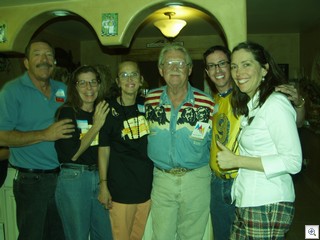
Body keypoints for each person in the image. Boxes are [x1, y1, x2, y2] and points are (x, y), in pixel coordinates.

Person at [203, 45, 306, 240]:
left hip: (267, 202)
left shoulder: (275, 103)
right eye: (235, 66)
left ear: (265, 69)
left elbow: (293, 161)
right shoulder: (251, 105)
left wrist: (236, 161)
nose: (238, 72)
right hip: (247, 198)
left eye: (246, 65)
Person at [0, 39, 74, 240]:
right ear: (26, 62)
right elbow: (2, 135)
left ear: (55, 62)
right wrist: (45, 134)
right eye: (37, 54)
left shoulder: (62, 89)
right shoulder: (11, 91)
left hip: (62, 179)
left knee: (60, 235)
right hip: (31, 182)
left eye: (49, 55)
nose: (44, 59)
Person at [144, 44, 216, 240]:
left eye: (180, 63)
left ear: (190, 69)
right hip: (162, 179)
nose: (174, 68)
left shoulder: (207, 103)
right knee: (162, 235)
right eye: (169, 63)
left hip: (197, 179)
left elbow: (216, 143)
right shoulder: (149, 101)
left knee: (192, 235)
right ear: (161, 70)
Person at [54, 65, 112, 240]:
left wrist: (105, 183)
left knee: (104, 236)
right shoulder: (67, 112)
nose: (89, 88)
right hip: (74, 178)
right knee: (78, 236)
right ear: (74, 86)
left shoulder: (102, 110)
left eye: (93, 82)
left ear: (99, 85)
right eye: (83, 83)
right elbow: (73, 153)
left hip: (99, 177)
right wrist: (96, 126)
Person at [98, 61, 153, 240]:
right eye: (124, 75)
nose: (129, 79)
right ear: (117, 81)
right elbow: (103, 150)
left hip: (145, 188)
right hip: (121, 190)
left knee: (137, 237)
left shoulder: (148, 106)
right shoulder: (108, 110)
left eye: (134, 74)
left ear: (141, 79)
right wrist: (103, 185)